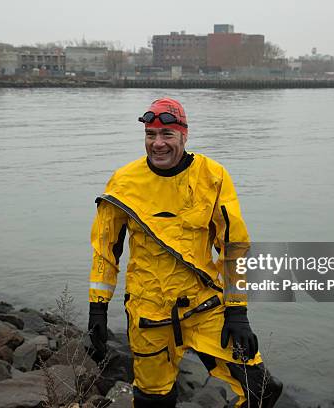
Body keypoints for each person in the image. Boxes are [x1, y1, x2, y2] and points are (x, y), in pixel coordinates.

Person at [87, 98, 283, 407]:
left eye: (167, 134)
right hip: (148, 315)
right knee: (153, 399)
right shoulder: (124, 182)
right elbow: (105, 251)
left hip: (204, 306)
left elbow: (233, 247)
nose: (158, 143)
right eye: (151, 135)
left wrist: (237, 310)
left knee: (261, 388)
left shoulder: (212, 176)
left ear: (184, 136)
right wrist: (97, 309)